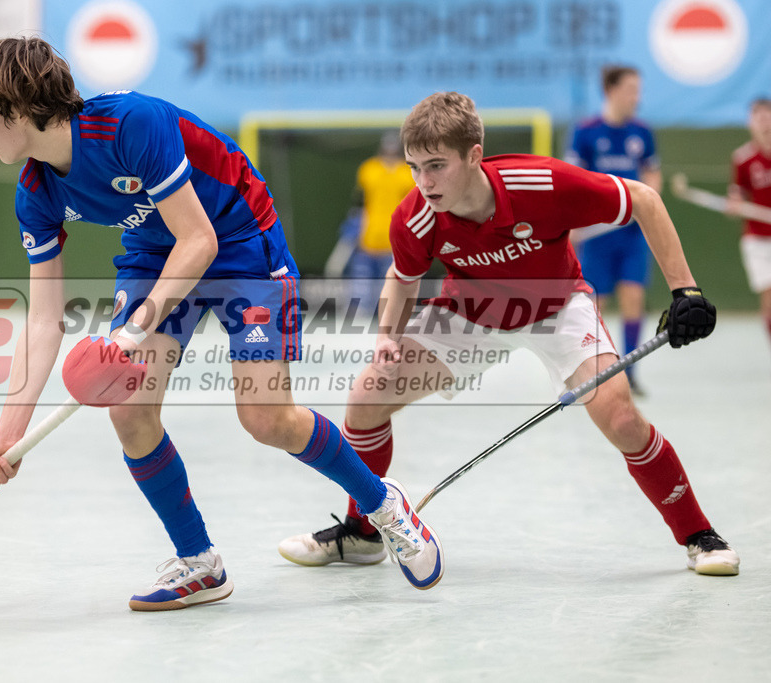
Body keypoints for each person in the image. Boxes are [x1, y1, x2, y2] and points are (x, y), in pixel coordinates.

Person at [0, 36, 442, 612]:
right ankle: (200, 563)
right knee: (130, 411)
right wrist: (9, 435)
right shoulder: (35, 191)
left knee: (266, 417)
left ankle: (383, 506)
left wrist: (128, 335)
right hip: (155, 254)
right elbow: (43, 318)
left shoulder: (132, 124)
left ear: (15, 106)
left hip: (239, 238)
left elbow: (201, 239)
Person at [278, 91, 739, 578]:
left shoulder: (541, 184)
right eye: (415, 167)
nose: (424, 182)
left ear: (474, 155)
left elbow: (643, 198)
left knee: (620, 417)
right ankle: (365, 533)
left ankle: (698, 534)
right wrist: (388, 336)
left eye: (436, 166)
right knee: (367, 396)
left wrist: (684, 289)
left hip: (557, 307)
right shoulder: (416, 215)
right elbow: (402, 275)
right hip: (470, 313)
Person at [565, 66, 662, 395]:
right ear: (610, 90)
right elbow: (573, 181)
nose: (636, 97)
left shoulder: (642, 133)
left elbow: (652, 175)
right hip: (596, 234)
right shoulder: (586, 132)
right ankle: (594, 371)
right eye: (630, 89)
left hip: (632, 234)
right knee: (597, 304)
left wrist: (648, 202)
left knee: (634, 298)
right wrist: (575, 222)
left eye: (638, 90)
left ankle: (630, 374)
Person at [333, 132, 414, 315]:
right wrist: (354, 229)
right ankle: (359, 321)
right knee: (361, 291)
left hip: (394, 240)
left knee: (391, 290)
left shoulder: (407, 172)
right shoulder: (369, 169)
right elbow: (359, 203)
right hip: (368, 238)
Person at [728, 97, 771, 355]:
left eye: (768, 117)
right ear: (751, 124)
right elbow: (737, 197)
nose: (764, 123)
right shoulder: (743, 159)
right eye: (759, 119)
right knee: (768, 299)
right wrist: (734, 206)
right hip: (757, 239)